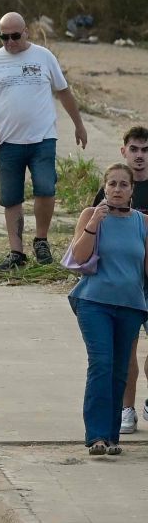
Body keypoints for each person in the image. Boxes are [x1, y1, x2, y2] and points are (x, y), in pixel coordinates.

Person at [0, 11, 88, 270]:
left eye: (15, 36)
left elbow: (64, 92)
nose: (11, 42)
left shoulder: (43, 57)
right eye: (4, 37)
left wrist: (79, 124)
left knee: (46, 188)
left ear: (26, 32)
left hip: (42, 138)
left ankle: (41, 240)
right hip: (7, 142)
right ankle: (16, 252)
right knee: (11, 197)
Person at [65, 163, 148, 455]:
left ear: (131, 190)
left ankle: (112, 438)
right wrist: (93, 224)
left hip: (130, 305)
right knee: (101, 362)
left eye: (123, 184)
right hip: (94, 302)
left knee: (119, 370)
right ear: (104, 187)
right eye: (111, 184)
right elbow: (78, 256)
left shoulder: (142, 222)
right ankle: (97, 435)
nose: (116, 189)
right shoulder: (91, 215)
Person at [119, 128, 148, 435]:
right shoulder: (115, 187)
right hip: (125, 283)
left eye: (145, 150)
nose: (140, 155)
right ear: (123, 151)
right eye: (135, 149)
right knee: (127, 349)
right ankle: (127, 410)